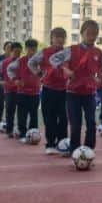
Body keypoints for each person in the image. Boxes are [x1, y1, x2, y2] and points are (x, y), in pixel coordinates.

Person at [48, 20, 102, 153]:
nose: (91, 37)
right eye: (88, 34)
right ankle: (75, 150)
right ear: (82, 33)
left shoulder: (99, 53)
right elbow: (53, 59)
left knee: (91, 123)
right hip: (73, 92)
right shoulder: (71, 50)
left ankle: (89, 150)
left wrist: (101, 78)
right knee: (75, 124)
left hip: (90, 93)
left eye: (94, 34)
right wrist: (65, 69)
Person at [29, 27, 70, 156]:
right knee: (50, 117)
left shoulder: (69, 53)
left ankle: (62, 143)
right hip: (48, 89)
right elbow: (31, 63)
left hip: (64, 90)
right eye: (56, 37)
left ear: (65, 39)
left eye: (62, 37)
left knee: (63, 118)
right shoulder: (44, 52)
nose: (59, 39)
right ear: (51, 39)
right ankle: (51, 144)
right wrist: (39, 73)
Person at [5, 39, 41, 139]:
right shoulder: (20, 61)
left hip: (35, 92)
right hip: (22, 92)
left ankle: (34, 134)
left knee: (34, 115)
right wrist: (15, 79)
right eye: (30, 49)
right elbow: (9, 69)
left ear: (36, 49)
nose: (32, 52)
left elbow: (45, 71)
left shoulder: (39, 61)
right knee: (22, 115)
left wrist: (42, 78)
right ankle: (22, 134)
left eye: (34, 49)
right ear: (26, 49)